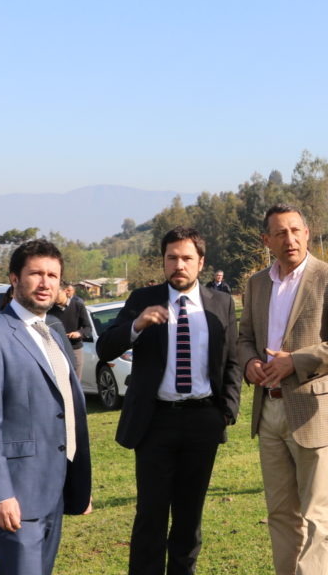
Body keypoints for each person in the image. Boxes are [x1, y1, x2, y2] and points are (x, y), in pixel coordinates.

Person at [97, 226, 242, 575]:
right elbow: (105, 348)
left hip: (203, 421)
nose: (179, 265)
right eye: (172, 258)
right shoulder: (141, 299)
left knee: (189, 519)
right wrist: (136, 327)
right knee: (150, 516)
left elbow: (232, 359)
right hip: (155, 423)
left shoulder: (220, 302)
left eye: (187, 258)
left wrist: (227, 411)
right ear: (163, 261)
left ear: (201, 262)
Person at [238, 204, 328, 575]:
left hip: (312, 412)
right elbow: (244, 338)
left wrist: (297, 361)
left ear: (307, 233)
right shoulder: (256, 284)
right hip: (269, 412)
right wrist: (249, 365)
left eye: (296, 231)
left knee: (317, 516)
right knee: (280, 514)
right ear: (267, 241)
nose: (289, 239)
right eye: (280, 233)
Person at [0, 240, 92, 575]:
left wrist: (78, 484)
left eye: (53, 275)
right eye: (36, 273)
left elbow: (68, 410)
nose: (45, 282)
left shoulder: (55, 333)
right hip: (14, 497)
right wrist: (0, 494)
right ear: (15, 279)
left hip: (53, 492)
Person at [49, 282, 93, 378]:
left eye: (57, 293)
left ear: (65, 291)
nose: (54, 296)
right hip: (57, 351)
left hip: (75, 349)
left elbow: (88, 328)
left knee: (76, 382)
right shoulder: (49, 310)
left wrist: (79, 333)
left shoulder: (78, 306)